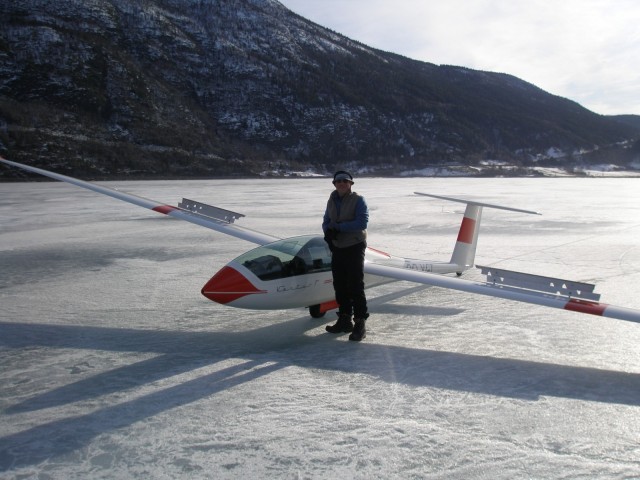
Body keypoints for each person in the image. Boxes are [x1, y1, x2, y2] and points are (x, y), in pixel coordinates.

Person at [322, 170, 370, 341]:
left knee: (355, 284)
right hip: (338, 246)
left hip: (354, 246)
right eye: (338, 181)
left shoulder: (358, 200)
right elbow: (326, 220)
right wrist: (328, 232)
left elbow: (362, 223)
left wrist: (338, 228)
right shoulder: (331, 200)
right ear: (334, 184)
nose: (342, 183)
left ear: (350, 184)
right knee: (340, 284)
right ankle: (344, 319)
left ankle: (360, 322)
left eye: (345, 181)